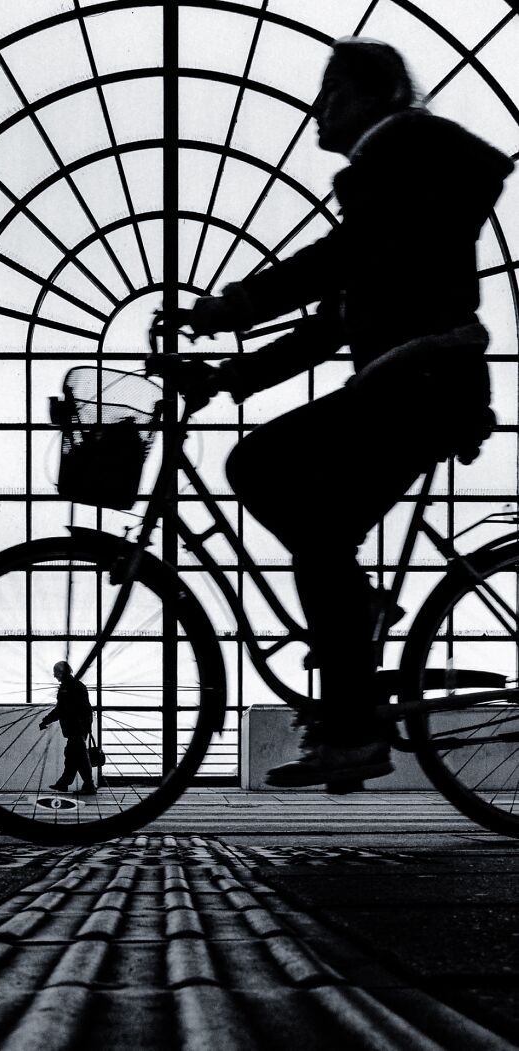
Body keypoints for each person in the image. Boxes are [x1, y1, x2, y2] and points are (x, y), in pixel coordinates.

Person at [151, 38, 514, 789]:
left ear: (377, 94)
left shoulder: (401, 156)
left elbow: (339, 259)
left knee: (260, 466)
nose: (320, 109)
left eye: (333, 92)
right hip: (417, 383)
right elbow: (337, 317)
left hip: (418, 382)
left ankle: (350, 722)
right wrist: (227, 376)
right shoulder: (406, 183)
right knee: (306, 515)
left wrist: (237, 305)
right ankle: (352, 633)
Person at [39, 660, 95, 794]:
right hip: (79, 728)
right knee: (72, 756)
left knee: (80, 757)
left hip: (75, 728)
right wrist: (87, 727)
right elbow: (84, 709)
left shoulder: (67, 688)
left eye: (56, 672)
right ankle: (63, 783)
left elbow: (61, 710)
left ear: (62, 672)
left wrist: (45, 721)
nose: (54, 676)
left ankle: (89, 786)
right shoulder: (76, 686)